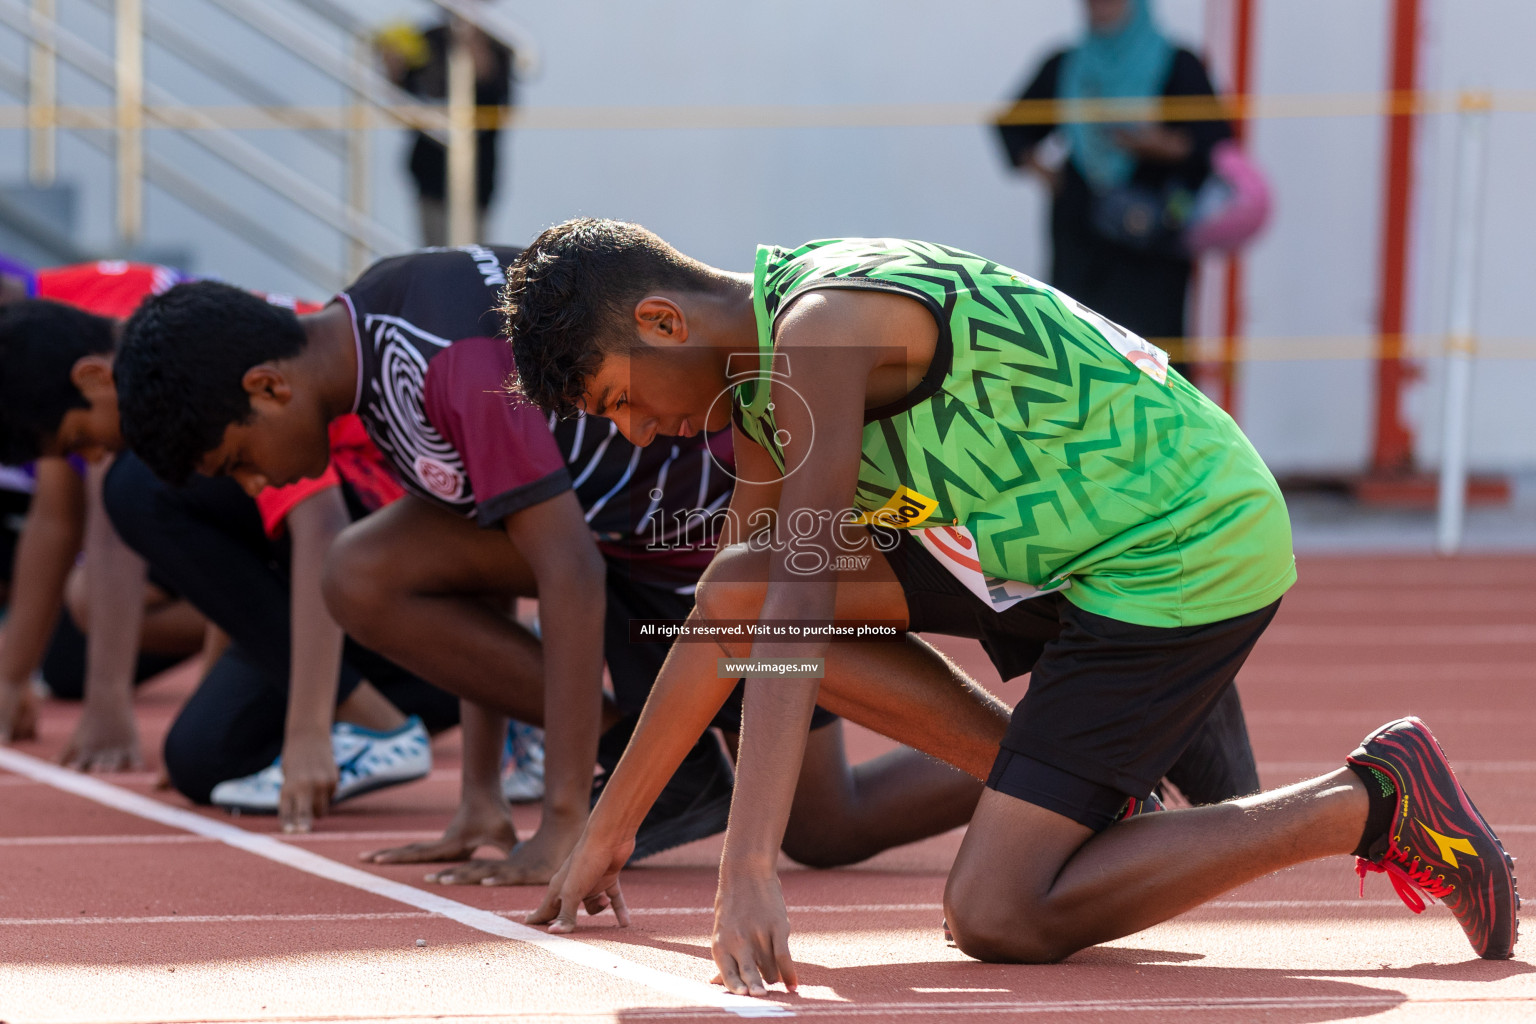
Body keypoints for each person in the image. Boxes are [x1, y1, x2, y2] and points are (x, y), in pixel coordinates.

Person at [501, 220, 1518, 992]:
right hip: (1053, 555)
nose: (633, 433)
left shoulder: (819, 329)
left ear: (662, 322)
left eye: (617, 401)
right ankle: (1079, 795)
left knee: (998, 912)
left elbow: (803, 594)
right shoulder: (761, 366)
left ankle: (1374, 798)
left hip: (1179, 547)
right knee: (738, 586)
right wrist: (609, 824)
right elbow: (736, 607)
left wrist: (750, 863)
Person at [111, 245, 997, 885]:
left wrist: (562, 818)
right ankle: (652, 759)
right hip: (626, 548)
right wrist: (481, 798)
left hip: (704, 541)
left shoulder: (446, 357)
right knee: (363, 567)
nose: (259, 481)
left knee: (826, 826)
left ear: (268, 386)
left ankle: (1074, 762)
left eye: (239, 459)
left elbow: (565, 571)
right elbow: (490, 566)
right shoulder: (372, 341)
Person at [0, 280, 454, 827]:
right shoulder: (157, 374)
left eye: (80, 441)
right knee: (201, 759)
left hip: (405, 522)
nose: (92, 455)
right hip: (361, 551)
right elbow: (236, 554)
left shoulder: (201, 374)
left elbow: (320, 520)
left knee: (132, 488)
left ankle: (380, 718)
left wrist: (308, 729)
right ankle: (471, 678)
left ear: (94, 378)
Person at [0, 260, 208, 762]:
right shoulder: (47, 321)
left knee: (93, 597)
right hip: (202, 497)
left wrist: (108, 703)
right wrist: (9, 678)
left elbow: (113, 520)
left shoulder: (85, 332)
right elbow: (56, 517)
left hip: (276, 488)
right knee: (69, 660)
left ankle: (277, 628)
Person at [997, 0, 1232, 378]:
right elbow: (1011, 128)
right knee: (1075, 356)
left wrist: (1161, 144)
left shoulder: (1177, 63)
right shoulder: (1069, 66)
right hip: (1082, 241)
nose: (1099, 7)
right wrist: (1050, 176)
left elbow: (1215, 144)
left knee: (1156, 366)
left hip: (1153, 248)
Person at [377, 12, 513, 246]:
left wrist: (474, 46)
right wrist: (394, 70)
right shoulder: (429, 39)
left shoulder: (499, 43)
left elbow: (500, 104)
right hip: (430, 173)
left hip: (478, 177)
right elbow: (408, 102)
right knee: (436, 256)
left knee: (474, 259)